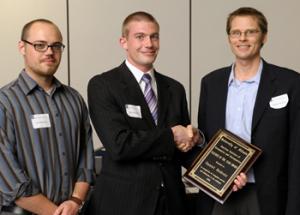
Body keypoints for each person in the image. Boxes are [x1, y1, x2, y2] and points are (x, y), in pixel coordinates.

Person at [195, 7, 300, 215]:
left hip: (269, 196)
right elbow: (206, 142)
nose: (242, 38)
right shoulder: (211, 83)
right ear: (229, 38)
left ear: (264, 36)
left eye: (251, 32)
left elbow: (297, 151)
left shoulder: (290, 83)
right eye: (236, 32)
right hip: (219, 194)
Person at [0, 19, 94, 215]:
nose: (49, 52)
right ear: (22, 47)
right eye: (40, 45)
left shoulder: (75, 99)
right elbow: (8, 177)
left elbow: (86, 161)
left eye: (56, 46)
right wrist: (55, 213)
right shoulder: (5, 102)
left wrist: (75, 201)